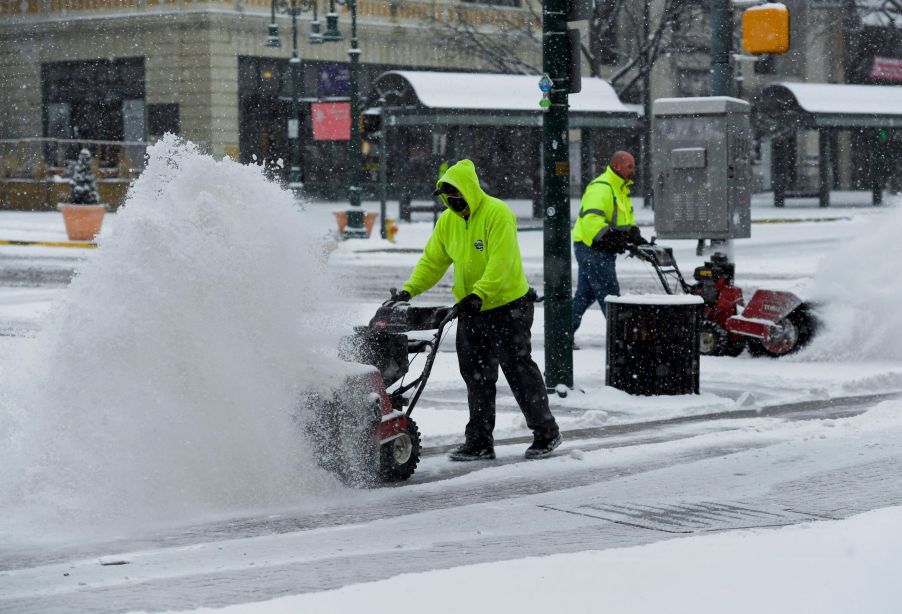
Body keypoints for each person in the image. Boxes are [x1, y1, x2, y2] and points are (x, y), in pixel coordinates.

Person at [392, 159, 562, 461]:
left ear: (469, 190)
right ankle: (480, 441)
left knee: (519, 371)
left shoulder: (498, 214)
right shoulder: (447, 222)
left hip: (508, 307)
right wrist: (409, 289)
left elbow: (501, 262)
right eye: (448, 199)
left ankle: (546, 433)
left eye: (458, 197)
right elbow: (433, 262)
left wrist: (479, 294)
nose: (454, 204)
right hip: (472, 309)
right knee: (477, 377)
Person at [571, 150, 647, 341]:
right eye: (630, 166)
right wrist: (611, 238)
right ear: (617, 166)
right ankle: (621, 340)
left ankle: (562, 333)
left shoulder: (620, 189)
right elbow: (590, 220)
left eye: (634, 166)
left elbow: (623, 220)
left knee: (585, 295)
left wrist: (634, 236)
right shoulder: (602, 188)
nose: (633, 170)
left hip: (600, 248)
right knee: (610, 295)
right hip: (592, 248)